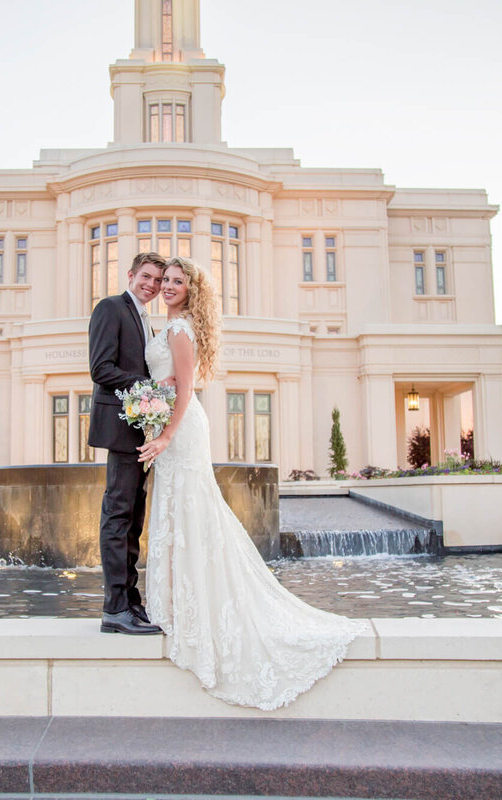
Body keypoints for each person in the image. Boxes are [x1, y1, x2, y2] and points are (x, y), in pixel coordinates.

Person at [137, 256, 362, 710]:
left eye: (179, 282)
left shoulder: (180, 331)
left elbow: (184, 392)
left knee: (193, 512)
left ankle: (191, 607)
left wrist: (162, 436)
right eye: (167, 280)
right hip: (173, 431)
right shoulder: (167, 326)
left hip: (181, 432)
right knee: (180, 512)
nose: (169, 286)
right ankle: (179, 603)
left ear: (191, 290)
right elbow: (166, 384)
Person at [87, 252, 168, 635]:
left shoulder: (145, 318)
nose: (151, 285)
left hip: (138, 427)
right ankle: (114, 608)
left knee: (134, 518)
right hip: (119, 428)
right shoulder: (111, 308)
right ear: (132, 274)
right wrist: (149, 389)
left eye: (158, 280)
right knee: (118, 516)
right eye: (147, 277)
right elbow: (100, 368)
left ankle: (130, 602)